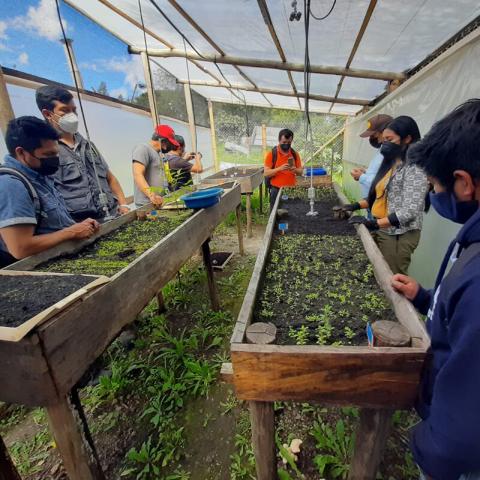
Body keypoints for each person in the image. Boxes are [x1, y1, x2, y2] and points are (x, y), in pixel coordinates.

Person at [392, 99, 480, 480]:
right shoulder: (473, 241)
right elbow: (464, 322)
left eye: (433, 185)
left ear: (464, 183)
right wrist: (425, 296)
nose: (432, 194)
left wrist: (426, 446)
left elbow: (464, 420)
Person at [0, 116, 99, 267]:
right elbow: (20, 248)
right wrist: (71, 232)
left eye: (56, 153)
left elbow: (52, 224)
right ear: (21, 153)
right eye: (48, 155)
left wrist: (78, 226)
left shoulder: (40, 176)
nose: (54, 160)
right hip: (40, 272)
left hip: (63, 258)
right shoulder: (11, 185)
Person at [342, 116, 428, 274]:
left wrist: (374, 224)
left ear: (407, 138)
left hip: (399, 235)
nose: (384, 143)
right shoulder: (393, 163)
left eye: (389, 139)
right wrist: (353, 206)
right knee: (377, 273)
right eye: (384, 139)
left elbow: (409, 212)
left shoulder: (415, 168)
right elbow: (380, 195)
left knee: (392, 278)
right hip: (383, 229)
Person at [35, 85, 128, 222]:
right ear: (48, 114)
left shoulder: (88, 145)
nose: (72, 116)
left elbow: (110, 178)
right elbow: (46, 196)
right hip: (81, 228)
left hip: (112, 217)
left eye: (74, 110)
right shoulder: (46, 151)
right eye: (65, 111)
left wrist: (123, 204)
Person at [132, 124, 179, 207]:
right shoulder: (143, 149)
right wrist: (151, 195)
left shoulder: (159, 154)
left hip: (159, 202)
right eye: (170, 143)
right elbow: (137, 174)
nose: (170, 147)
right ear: (162, 141)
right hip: (147, 203)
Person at [351, 114, 393, 200]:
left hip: (379, 203)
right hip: (370, 201)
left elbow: (385, 183)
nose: (372, 138)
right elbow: (380, 172)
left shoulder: (393, 154)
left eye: (374, 134)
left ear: (385, 131)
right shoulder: (382, 149)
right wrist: (366, 172)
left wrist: (362, 177)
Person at [264, 128, 303, 208]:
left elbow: (301, 172)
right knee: (275, 213)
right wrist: (279, 168)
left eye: (289, 142)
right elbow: (266, 173)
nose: (286, 144)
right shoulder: (272, 154)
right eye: (284, 142)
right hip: (276, 189)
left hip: (290, 189)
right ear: (279, 140)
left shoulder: (295, 154)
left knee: (291, 213)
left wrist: (295, 169)